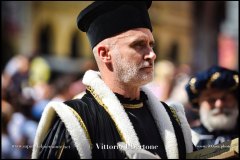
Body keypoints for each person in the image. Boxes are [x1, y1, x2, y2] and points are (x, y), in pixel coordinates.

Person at [32, 1, 194, 159]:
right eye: (138, 45)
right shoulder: (75, 121)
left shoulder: (173, 119)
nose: (152, 54)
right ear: (105, 54)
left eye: (151, 45)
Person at [185, 66, 239, 149]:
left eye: (225, 98)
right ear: (198, 104)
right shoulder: (188, 140)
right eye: (211, 100)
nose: (219, 105)